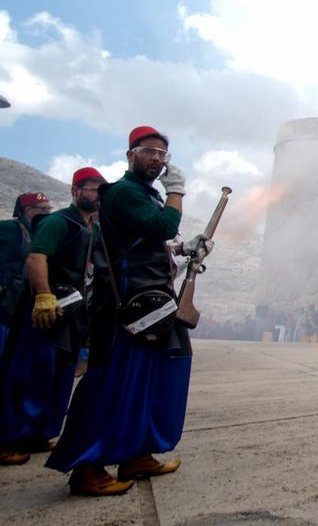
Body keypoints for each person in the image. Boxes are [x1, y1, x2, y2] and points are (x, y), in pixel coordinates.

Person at [48, 126, 202, 496]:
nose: (158, 159)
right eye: (149, 151)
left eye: (163, 155)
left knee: (154, 380)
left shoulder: (143, 196)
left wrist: (183, 251)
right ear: (131, 154)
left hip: (151, 302)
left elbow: (147, 245)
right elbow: (164, 224)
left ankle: (136, 453)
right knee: (116, 383)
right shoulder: (122, 193)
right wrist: (177, 191)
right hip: (127, 308)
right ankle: (88, 467)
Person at [1, 175, 100, 466]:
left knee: (58, 377)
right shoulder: (58, 223)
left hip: (72, 314)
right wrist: (43, 295)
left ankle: (37, 434)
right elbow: (36, 259)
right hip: (45, 310)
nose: (98, 196)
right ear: (76, 191)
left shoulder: (93, 228)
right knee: (27, 376)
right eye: (93, 190)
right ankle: (6, 438)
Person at [0, 192, 52, 466]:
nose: (45, 212)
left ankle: (26, 434)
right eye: (40, 208)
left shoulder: (40, 234)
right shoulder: (9, 230)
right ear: (26, 209)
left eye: (47, 207)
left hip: (21, 313)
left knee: (22, 377)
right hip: (4, 310)